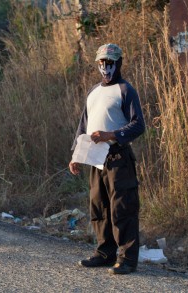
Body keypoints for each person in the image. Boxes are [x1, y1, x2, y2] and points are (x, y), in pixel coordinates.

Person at [69, 44, 145, 275]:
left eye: (110, 62)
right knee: (99, 206)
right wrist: (75, 155)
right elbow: (84, 125)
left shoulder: (125, 90)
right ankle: (104, 253)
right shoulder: (94, 91)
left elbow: (138, 124)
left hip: (118, 157)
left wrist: (112, 135)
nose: (106, 66)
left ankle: (127, 259)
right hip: (95, 157)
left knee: (122, 207)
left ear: (119, 63)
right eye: (102, 62)